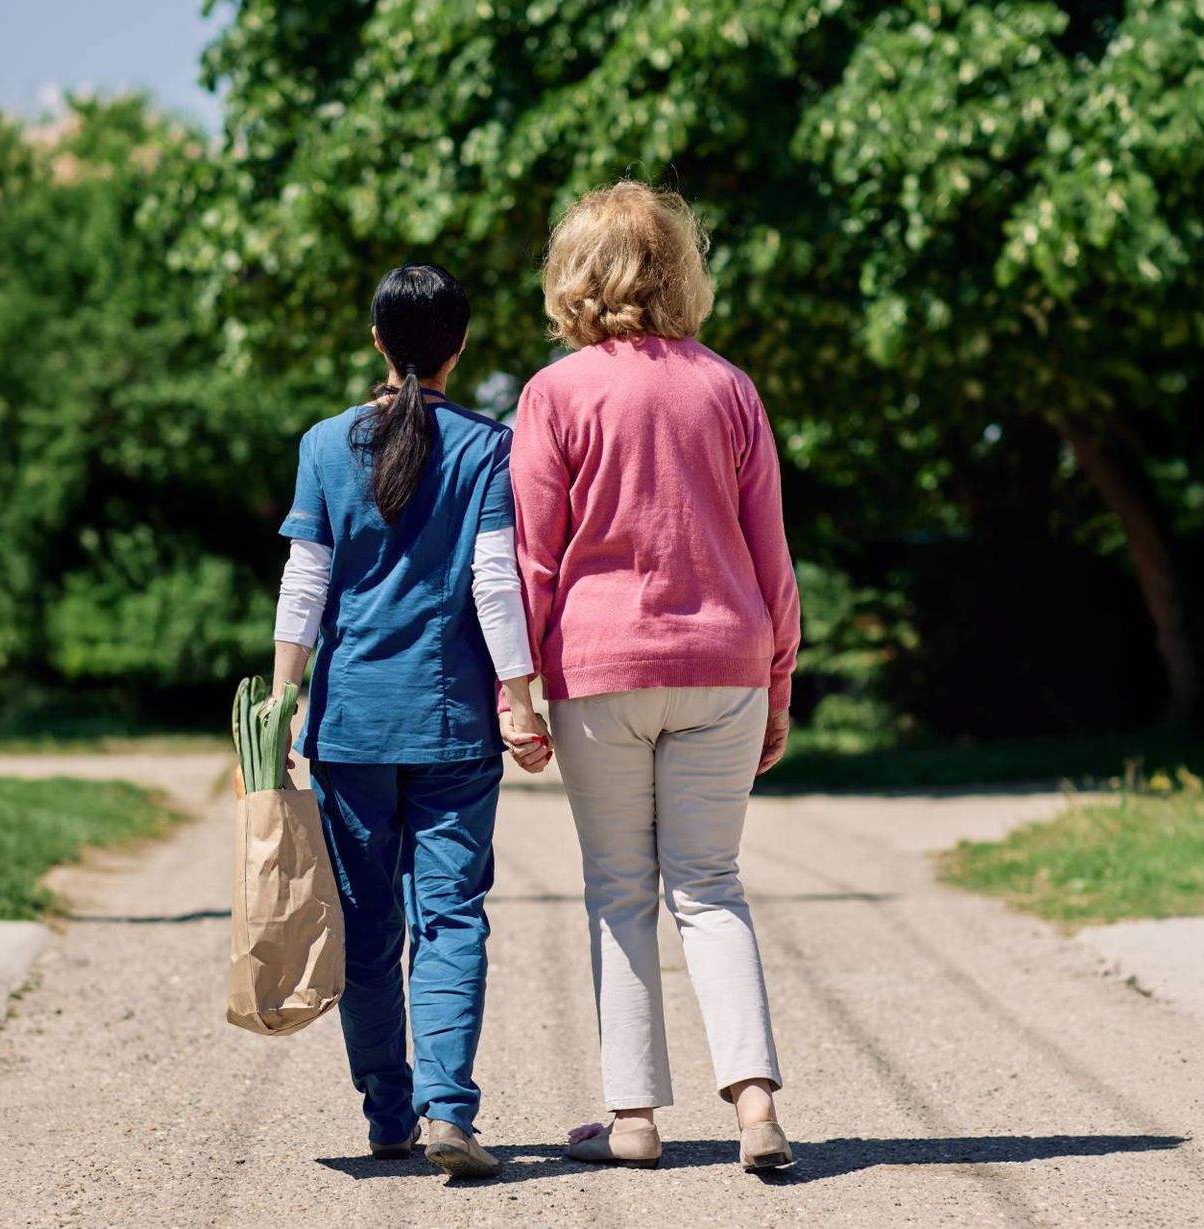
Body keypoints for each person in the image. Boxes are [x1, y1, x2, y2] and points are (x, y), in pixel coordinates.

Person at [503, 182, 801, 1172]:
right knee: (711, 885)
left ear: (573, 277)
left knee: (619, 889)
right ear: (680, 271)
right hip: (726, 664)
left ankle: (632, 1118)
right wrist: (780, 684)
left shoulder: (553, 394)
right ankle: (755, 1105)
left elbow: (533, 561)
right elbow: (772, 557)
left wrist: (517, 691)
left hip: (599, 671)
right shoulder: (729, 388)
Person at [270, 263, 553, 1179]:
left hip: (349, 725)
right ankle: (449, 1109)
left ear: (377, 342)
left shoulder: (325, 444)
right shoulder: (488, 447)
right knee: (452, 917)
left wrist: (282, 696)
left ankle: (388, 1114)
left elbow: (306, 582)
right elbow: (495, 582)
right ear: (458, 347)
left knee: (365, 930)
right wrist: (520, 699)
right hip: (452, 725)